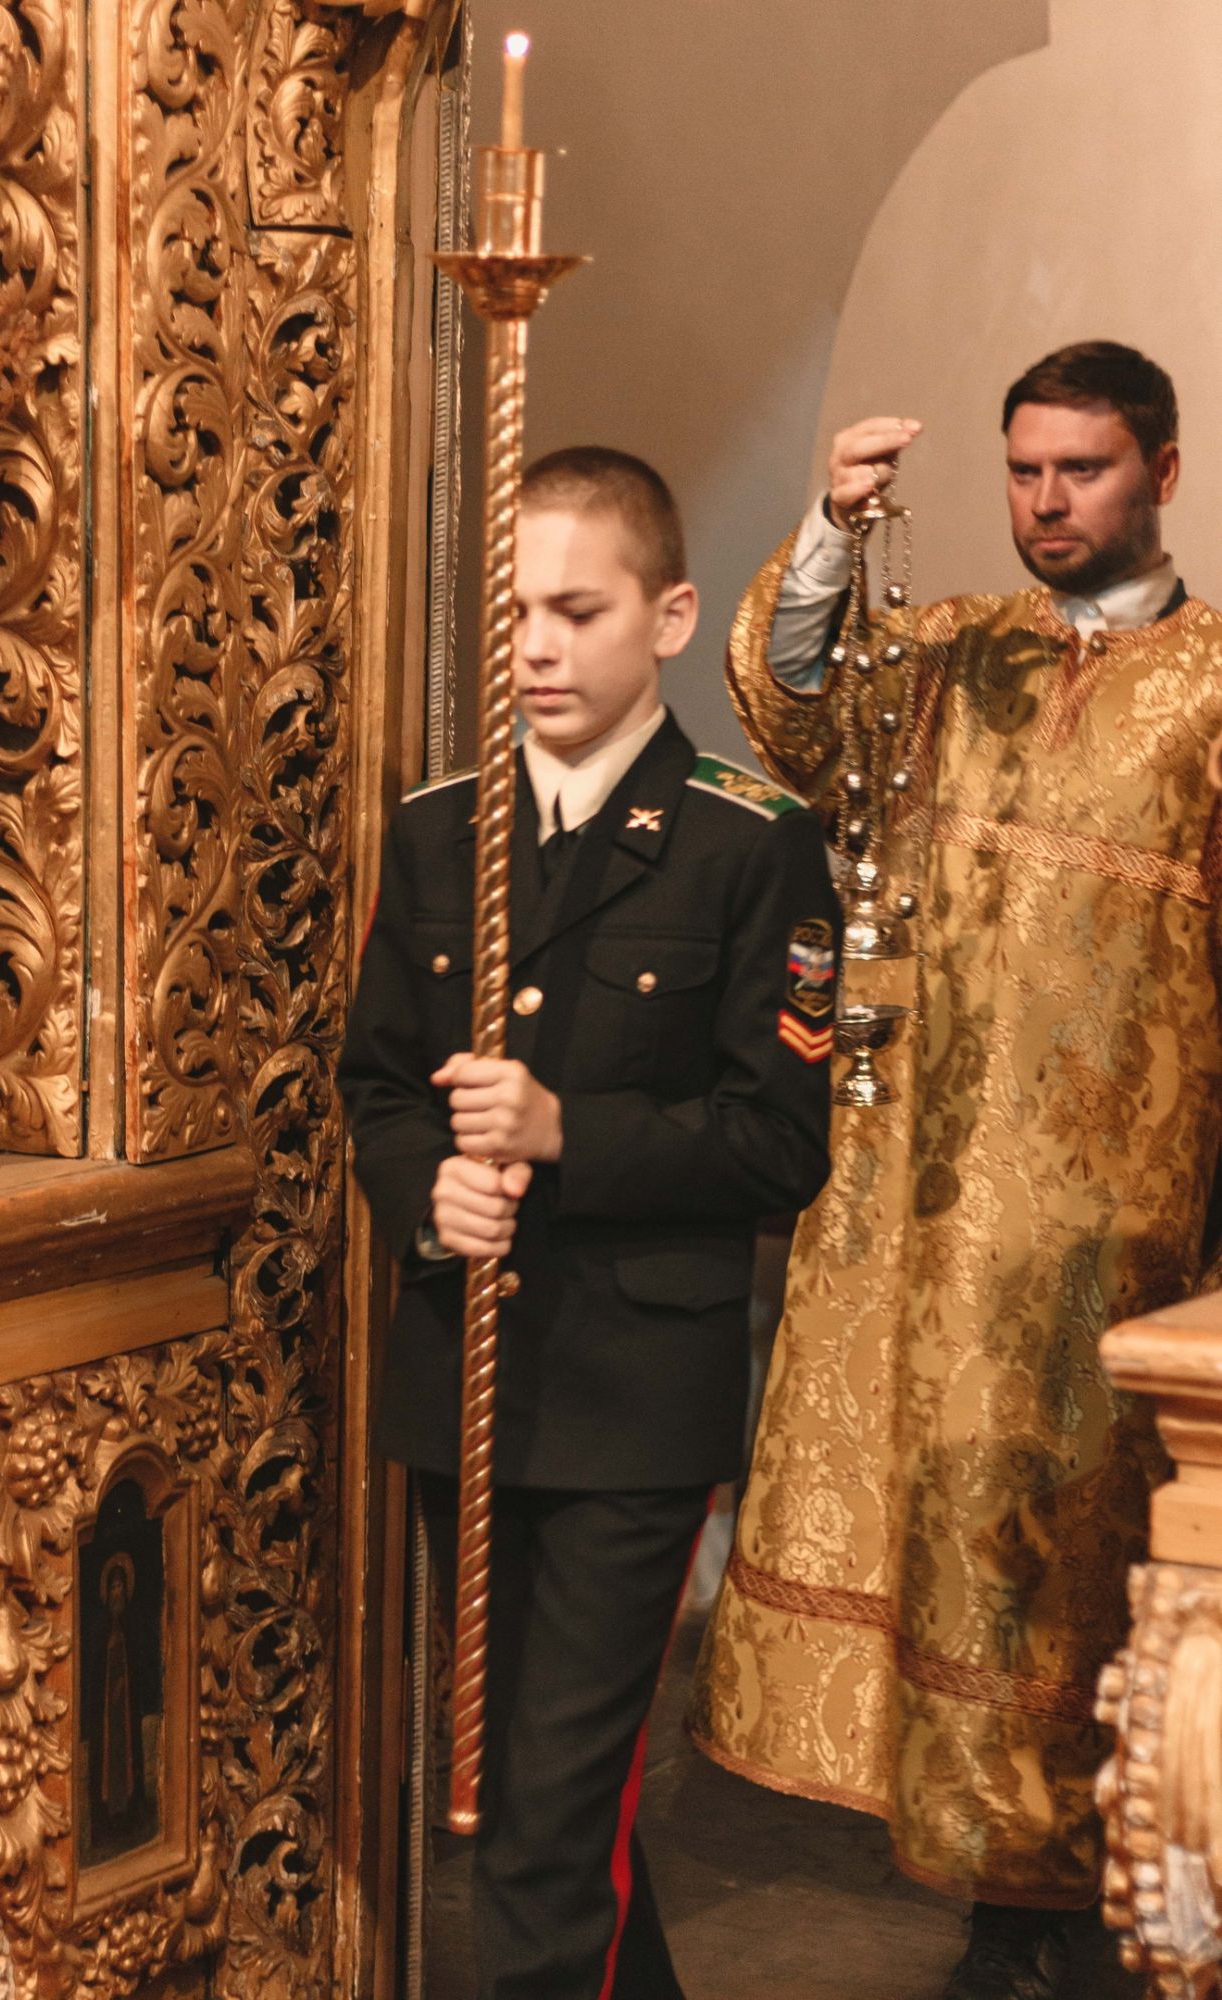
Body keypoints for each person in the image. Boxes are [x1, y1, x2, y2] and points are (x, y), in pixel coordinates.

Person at [689, 342, 1222, 2000]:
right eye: (1022, 471)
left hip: (1111, 1228)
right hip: (919, 1207)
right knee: (952, 1560)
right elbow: (791, 709)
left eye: (1082, 470)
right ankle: (996, 1908)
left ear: (1160, 473)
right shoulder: (948, 656)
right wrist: (831, 532)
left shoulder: (1213, 685)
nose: (1045, 503)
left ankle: (1103, 1906)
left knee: (1084, 1571)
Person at [337, 445, 840, 2000]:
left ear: (668, 616)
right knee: (535, 1803)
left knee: (545, 1824)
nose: (537, 647)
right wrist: (429, 1191)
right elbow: (378, 1084)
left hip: (632, 1400)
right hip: (468, 1378)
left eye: (576, 610)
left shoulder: (749, 841)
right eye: (514, 612)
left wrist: (569, 1135)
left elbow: (778, 1145)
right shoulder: (440, 832)